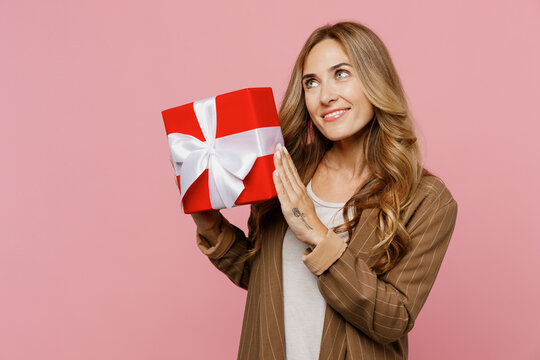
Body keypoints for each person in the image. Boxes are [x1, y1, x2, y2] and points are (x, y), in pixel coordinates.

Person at [178, 21, 458, 360]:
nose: (325, 96)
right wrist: (211, 227)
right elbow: (265, 279)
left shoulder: (427, 200)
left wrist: (317, 233)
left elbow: (393, 319)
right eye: (312, 82)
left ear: (375, 80)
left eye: (341, 74)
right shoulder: (286, 169)